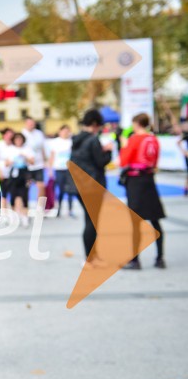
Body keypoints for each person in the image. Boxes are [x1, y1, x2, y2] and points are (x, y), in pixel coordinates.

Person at [120, 113, 166, 270]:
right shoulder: (153, 139)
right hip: (149, 179)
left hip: (136, 181)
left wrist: (124, 144)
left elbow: (124, 160)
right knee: (155, 220)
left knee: (135, 222)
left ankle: (135, 260)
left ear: (137, 123)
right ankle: (160, 258)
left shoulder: (134, 139)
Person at [70, 108, 114, 263]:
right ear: (95, 124)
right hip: (92, 186)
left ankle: (91, 256)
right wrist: (108, 151)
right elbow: (100, 162)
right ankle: (90, 258)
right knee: (92, 221)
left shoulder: (76, 140)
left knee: (89, 220)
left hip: (78, 185)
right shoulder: (93, 140)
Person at [5, 132, 35, 228]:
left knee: (24, 195)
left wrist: (24, 157)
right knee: (13, 195)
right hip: (14, 174)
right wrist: (13, 160)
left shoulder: (27, 149)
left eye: (20, 139)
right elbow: (6, 163)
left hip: (24, 174)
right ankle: (15, 216)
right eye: (16, 139)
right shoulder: (10, 149)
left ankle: (25, 217)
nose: (18, 141)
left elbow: (32, 161)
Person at [47, 125, 77, 217]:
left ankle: (70, 209)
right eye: (64, 131)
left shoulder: (72, 142)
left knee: (71, 190)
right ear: (60, 132)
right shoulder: (55, 142)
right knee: (60, 190)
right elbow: (51, 156)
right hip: (59, 169)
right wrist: (50, 169)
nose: (65, 133)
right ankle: (59, 209)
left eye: (67, 131)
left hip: (70, 169)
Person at [22, 116, 47, 205]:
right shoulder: (22, 134)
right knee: (26, 187)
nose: (31, 125)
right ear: (26, 124)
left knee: (41, 186)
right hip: (27, 166)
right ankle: (26, 208)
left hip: (39, 164)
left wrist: (45, 160)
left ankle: (40, 209)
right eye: (29, 123)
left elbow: (43, 148)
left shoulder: (39, 133)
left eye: (33, 123)